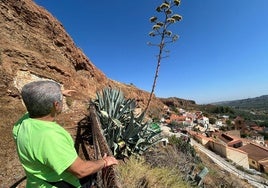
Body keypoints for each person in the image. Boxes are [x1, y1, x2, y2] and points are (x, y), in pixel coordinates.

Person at [13, 80, 118, 187]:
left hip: (36, 183)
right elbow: (80, 171)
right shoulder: (50, 136)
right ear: (56, 105)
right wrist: (105, 161)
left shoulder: (23, 122)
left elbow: (36, 101)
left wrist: (59, 93)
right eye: (60, 100)